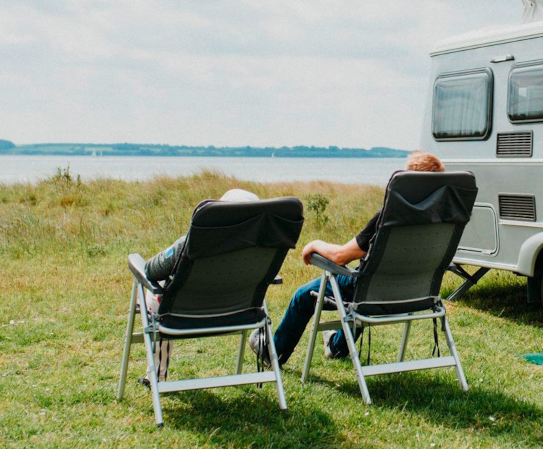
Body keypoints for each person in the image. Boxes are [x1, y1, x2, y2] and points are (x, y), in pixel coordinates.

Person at [250, 151, 445, 367]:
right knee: (364, 292)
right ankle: (336, 346)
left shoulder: (390, 215)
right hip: (416, 293)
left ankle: (272, 353)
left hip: (372, 291)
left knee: (303, 296)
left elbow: (340, 257)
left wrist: (313, 244)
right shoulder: (443, 219)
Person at [141, 188, 260, 383]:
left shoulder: (190, 244)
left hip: (183, 316)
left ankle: (156, 376)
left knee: (154, 293)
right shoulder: (259, 253)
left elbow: (150, 270)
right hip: (240, 314)